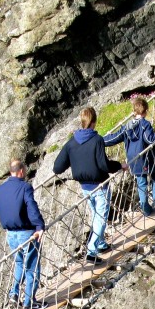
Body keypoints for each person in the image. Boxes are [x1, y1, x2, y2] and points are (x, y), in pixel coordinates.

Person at [53, 106, 123, 264]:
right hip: (100, 185)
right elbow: (104, 165)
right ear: (94, 122)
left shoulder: (71, 142)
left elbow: (57, 167)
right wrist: (119, 165)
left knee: (95, 216)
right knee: (101, 218)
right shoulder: (97, 140)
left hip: (85, 187)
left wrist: (74, 160)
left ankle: (101, 244)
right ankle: (91, 251)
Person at [0, 159, 45, 309]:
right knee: (32, 266)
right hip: (27, 233)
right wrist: (39, 226)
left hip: (10, 235)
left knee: (19, 263)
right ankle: (29, 302)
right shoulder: (25, 188)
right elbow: (31, 206)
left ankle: (14, 293)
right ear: (21, 171)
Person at [103, 97, 155, 217]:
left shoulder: (126, 127)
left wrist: (100, 140)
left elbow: (114, 138)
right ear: (146, 111)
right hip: (146, 157)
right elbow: (150, 139)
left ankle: (146, 209)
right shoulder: (145, 124)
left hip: (133, 160)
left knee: (141, 183)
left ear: (134, 112)